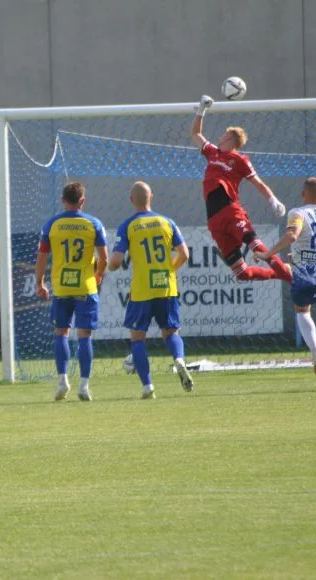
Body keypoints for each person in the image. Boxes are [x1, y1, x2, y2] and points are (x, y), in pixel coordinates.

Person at [255, 178, 316, 381]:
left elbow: (292, 236)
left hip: (303, 277)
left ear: (302, 194)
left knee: (302, 311)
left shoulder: (298, 213)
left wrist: (268, 254)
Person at [191, 95, 291, 282]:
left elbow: (258, 183)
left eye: (223, 135)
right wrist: (201, 112)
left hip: (231, 211)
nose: (220, 137)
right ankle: (284, 273)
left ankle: (295, 281)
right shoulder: (213, 153)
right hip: (214, 220)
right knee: (241, 273)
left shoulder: (240, 160)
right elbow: (195, 134)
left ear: (230, 138)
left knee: (255, 245)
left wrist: (273, 200)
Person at [108, 181, 194, 399]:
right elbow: (184, 254)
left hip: (142, 290)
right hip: (166, 286)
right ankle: (179, 360)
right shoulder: (167, 222)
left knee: (137, 339)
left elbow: (116, 261)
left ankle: (148, 387)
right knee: (171, 332)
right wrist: (168, 270)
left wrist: (108, 265)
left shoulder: (128, 225)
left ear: (131, 200)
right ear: (151, 197)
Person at [35, 182, 109, 401]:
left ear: (62, 200)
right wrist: (98, 275)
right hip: (85, 288)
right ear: (83, 201)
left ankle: (62, 381)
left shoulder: (51, 225)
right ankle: (84, 386)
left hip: (62, 288)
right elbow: (104, 258)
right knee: (84, 335)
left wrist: (39, 283)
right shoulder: (94, 224)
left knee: (61, 332)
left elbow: (42, 257)